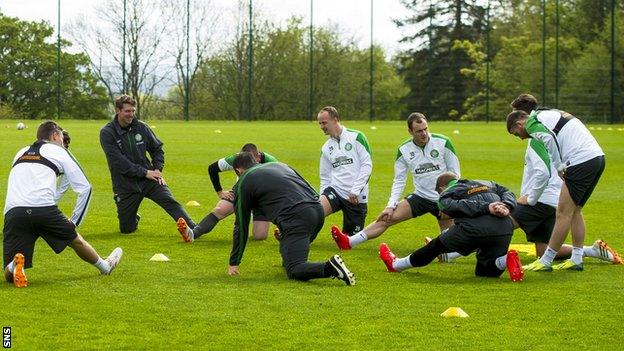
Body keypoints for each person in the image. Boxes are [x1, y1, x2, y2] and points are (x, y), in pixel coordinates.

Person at [3, 121, 122, 288]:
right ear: (55, 136)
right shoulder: (58, 151)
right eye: (61, 137)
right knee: (76, 241)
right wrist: (74, 223)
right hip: (44, 210)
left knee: (8, 275)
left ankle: (14, 265)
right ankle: (105, 266)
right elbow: (85, 188)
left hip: (14, 212)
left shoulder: (20, 152)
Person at [330, 112, 460, 251]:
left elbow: (455, 175)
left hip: (443, 198)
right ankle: (349, 242)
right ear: (410, 131)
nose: (424, 134)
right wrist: (390, 206)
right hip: (421, 197)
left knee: (452, 239)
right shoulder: (403, 150)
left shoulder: (443, 142)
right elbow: (399, 180)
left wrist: (448, 200)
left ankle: (442, 251)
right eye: (419, 131)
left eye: (425, 129)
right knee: (387, 217)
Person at [506, 94, 606, 271]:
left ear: (520, 123)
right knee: (575, 211)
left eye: (517, 134)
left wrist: (560, 166)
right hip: (596, 157)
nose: (520, 138)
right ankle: (576, 259)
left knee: (562, 212)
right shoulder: (548, 113)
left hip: (580, 161)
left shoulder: (533, 122)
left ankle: (546, 261)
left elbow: (549, 139)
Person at [227, 152, 355, 285]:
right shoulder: (280, 165)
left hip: (297, 219)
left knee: (294, 270)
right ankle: (289, 259)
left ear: (238, 170)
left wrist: (234, 262)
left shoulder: (244, 180)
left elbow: (241, 225)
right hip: (317, 211)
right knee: (289, 245)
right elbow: (311, 191)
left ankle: (330, 267)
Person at [378, 172, 524, 282]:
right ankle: (505, 260)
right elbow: (507, 192)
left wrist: (487, 207)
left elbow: (446, 206)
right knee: (485, 272)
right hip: (504, 228)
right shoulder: (488, 183)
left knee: (435, 246)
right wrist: (506, 205)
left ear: (441, 187)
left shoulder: (447, 192)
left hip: (472, 230)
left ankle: (396, 265)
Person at [100, 95, 195, 234]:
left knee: (169, 201)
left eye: (133, 111)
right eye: (127, 111)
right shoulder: (107, 132)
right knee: (126, 229)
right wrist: (145, 172)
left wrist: (157, 169)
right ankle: (133, 218)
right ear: (117, 110)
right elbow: (118, 162)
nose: (131, 114)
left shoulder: (142, 127)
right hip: (125, 184)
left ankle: (193, 228)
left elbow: (157, 149)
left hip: (149, 179)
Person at [176, 143, 277, 242]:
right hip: (241, 190)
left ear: (258, 157)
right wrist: (219, 192)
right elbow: (212, 168)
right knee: (220, 210)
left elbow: (279, 187)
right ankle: (192, 233)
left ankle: (284, 230)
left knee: (259, 236)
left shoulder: (271, 162)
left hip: (262, 195)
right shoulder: (237, 159)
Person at [318, 106, 372, 237]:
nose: (321, 126)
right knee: (315, 212)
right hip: (335, 191)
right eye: (319, 123)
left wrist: (356, 190)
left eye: (324, 122)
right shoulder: (326, 148)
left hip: (356, 197)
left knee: (349, 240)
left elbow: (367, 165)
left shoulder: (357, 137)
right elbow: (325, 176)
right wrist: (322, 195)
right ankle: (292, 233)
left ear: (335, 119)